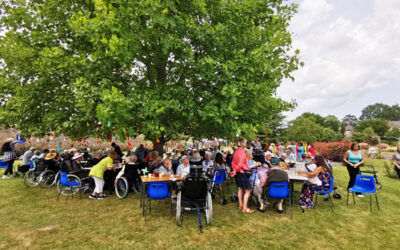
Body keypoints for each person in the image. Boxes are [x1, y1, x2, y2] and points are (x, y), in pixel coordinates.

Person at [230, 138, 255, 213]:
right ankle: (245, 208)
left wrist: (234, 170)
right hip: (242, 172)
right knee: (248, 190)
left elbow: (233, 163)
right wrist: (235, 170)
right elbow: (240, 164)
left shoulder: (236, 151)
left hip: (238, 173)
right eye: (246, 143)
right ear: (243, 144)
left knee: (240, 189)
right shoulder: (242, 153)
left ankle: (240, 205)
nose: (246, 145)